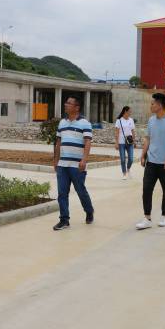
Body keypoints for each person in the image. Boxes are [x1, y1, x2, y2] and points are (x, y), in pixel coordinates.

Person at [136, 93, 165, 229]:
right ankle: (147, 218)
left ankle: (163, 216)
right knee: (146, 189)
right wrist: (143, 154)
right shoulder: (151, 120)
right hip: (151, 162)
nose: (151, 106)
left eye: (152, 103)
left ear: (160, 105)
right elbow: (148, 138)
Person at [52, 94, 95, 230]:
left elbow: (87, 142)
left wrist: (84, 160)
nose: (66, 104)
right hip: (62, 165)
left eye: (69, 103)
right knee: (62, 193)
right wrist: (56, 160)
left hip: (77, 165)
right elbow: (58, 142)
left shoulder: (85, 123)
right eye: (66, 102)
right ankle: (64, 220)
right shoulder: (62, 123)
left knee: (80, 191)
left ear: (77, 107)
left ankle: (89, 211)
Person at [115, 106, 136, 180]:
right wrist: (116, 143)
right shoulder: (119, 120)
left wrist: (134, 140)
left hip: (130, 142)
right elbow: (117, 132)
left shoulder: (131, 120)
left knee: (131, 159)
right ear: (125, 111)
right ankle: (124, 173)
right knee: (123, 159)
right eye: (129, 111)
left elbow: (133, 131)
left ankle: (128, 169)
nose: (130, 113)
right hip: (121, 142)